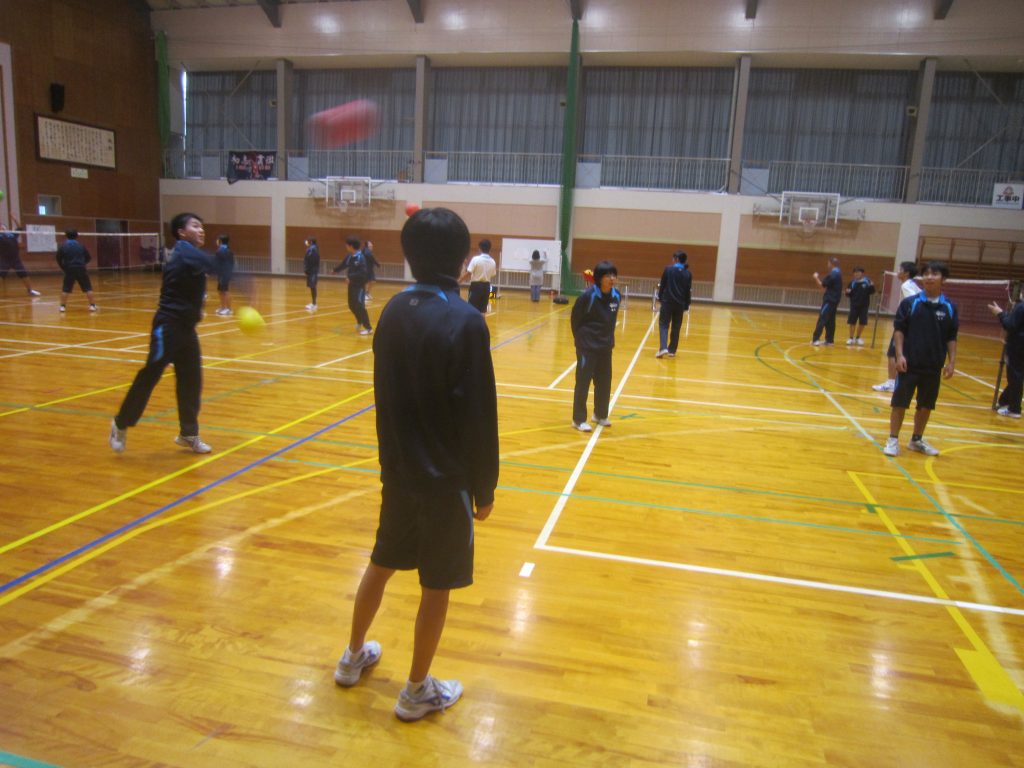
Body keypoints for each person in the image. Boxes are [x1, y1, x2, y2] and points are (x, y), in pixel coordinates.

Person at [334, 207, 498, 723]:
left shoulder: (392, 310)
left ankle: (352, 656)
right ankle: (416, 691)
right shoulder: (465, 320)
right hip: (445, 480)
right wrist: (485, 487)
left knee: (381, 562)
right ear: (463, 258)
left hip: (398, 471)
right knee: (437, 583)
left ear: (408, 256)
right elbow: (479, 413)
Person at [109, 212, 224, 455]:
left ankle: (188, 433)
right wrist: (243, 281)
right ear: (181, 233)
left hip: (186, 329)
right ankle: (120, 423)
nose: (201, 230)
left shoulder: (190, 256)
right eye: (195, 226)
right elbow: (214, 264)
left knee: (191, 380)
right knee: (151, 374)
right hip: (168, 327)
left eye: (202, 226)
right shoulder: (184, 250)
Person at [882, 261, 958, 457]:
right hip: (909, 364)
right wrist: (899, 355)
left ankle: (916, 440)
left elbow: (951, 337)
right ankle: (893, 439)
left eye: (934, 274)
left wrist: (951, 362)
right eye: (926, 274)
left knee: (925, 405)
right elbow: (899, 330)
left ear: (943, 279)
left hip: (933, 366)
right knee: (899, 403)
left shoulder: (949, 307)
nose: (929, 277)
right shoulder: (910, 303)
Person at [571, 260, 621, 431]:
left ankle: (600, 415)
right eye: (608, 275)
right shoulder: (588, 296)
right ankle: (578, 420)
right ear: (599, 278)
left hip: (605, 347)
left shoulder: (616, 296)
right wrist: (581, 341)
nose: (612, 279)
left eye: (614, 275)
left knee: (604, 382)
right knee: (583, 382)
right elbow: (576, 319)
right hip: (587, 347)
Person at [873, 261, 923, 392]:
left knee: (892, 353)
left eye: (900, 270)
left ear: (906, 273)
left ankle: (891, 383)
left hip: (905, 325)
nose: (897, 272)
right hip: (911, 325)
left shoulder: (906, 286)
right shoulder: (913, 284)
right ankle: (897, 382)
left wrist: (904, 319)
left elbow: (913, 302)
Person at [988, 295, 1024, 419]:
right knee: (1018, 376)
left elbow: (1010, 325)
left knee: (1015, 377)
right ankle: (1004, 401)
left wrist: (1000, 314)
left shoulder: (1021, 307)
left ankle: (1014, 409)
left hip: (1018, 347)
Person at [655, 250, 693, 358]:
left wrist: (660, 297)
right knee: (676, 326)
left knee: (663, 324)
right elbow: (688, 290)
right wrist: (687, 304)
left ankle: (663, 348)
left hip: (667, 302)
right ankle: (672, 350)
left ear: (676, 259)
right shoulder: (688, 273)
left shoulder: (668, 270)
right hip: (680, 303)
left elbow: (663, 284)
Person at [333, 236, 373, 335]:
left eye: (347, 245)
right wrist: (335, 270)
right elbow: (343, 264)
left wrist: (350, 277)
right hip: (352, 285)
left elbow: (363, 272)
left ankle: (368, 328)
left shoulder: (361, 258)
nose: (346, 247)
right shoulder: (349, 256)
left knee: (359, 305)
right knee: (351, 305)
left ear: (351, 246)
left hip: (359, 286)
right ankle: (359, 321)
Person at [55, 229, 97, 312]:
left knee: (66, 288)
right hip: (81, 269)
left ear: (66, 236)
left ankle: (62, 307)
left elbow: (58, 258)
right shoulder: (81, 246)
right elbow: (88, 257)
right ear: (77, 236)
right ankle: (92, 306)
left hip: (69, 269)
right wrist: (82, 264)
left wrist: (63, 267)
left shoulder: (63, 246)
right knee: (88, 288)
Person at [0, 220, 42, 297]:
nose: (2, 227)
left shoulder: (12, 234)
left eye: (3, 226)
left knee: (24, 274)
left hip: (16, 259)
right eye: (1, 226)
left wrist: (15, 219)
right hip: (5, 260)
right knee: (1, 275)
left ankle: (30, 291)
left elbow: (19, 227)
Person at [811, 256, 842, 346]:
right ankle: (829, 340)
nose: (827, 265)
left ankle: (815, 339)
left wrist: (816, 277)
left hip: (829, 300)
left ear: (831, 264)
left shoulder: (832, 274)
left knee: (822, 318)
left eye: (828, 263)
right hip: (835, 300)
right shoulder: (839, 273)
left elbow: (822, 286)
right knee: (830, 320)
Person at [460, 239, 496, 313]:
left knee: (471, 308)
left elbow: (469, 273)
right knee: (483, 310)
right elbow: (493, 274)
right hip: (487, 287)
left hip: (476, 286)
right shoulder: (493, 261)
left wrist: (458, 281)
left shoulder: (476, 259)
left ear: (480, 248)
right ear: (490, 249)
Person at [844, 267, 875, 345]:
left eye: (858, 272)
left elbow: (872, 292)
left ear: (862, 273)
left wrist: (871, 286)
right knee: (852, 322)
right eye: (855, 272)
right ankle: (851, 338)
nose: (856, 274)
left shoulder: (867, 281)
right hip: (854, 305)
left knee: (862, 323)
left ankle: (858, 338)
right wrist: (847, 292)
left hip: (864, 306)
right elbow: (848, 294)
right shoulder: (852, 283)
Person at [214, 234, 234, 316]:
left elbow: (217, 263)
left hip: (223, 274)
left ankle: (228, 309)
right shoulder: (228, 250)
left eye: (217, 240)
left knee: (225, 291)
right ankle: (223, 307)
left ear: (220, 241)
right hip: (225, 273)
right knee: (221, 291)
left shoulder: (220, 251)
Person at [303, 237, 320, 311]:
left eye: (308, 241)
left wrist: (306, 270)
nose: (306, 242)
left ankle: (314, 304)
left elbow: (310, 260)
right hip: (313, 270)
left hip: (312, 271)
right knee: (312, 286)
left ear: (311, 242)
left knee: (313, 286)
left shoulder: (312, 249)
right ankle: (313, 303)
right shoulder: (313, 249)